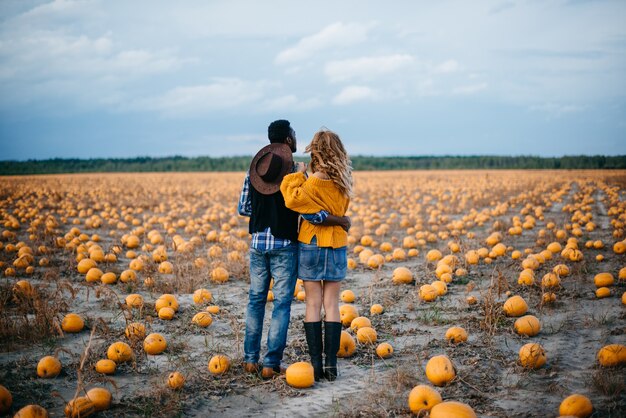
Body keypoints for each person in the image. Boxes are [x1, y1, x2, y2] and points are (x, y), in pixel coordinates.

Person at [237, 120, 350, 379]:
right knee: (284, 304)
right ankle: (273, 363)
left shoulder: (255, 171)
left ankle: (251, 360)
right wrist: (341, 220)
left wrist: (263, 211)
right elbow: (309, 207)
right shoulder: (302, 174)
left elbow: (244, 208)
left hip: (260, 244)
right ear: (288, 140)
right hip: (291, 245)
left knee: (256, 301)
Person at [280, 128, 352, 381]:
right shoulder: (344, 183)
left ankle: (316, 367)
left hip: (310, 243)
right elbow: (339, 214)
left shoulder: (310, 182)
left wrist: (297, 175)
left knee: (313, 303)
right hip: (336, 245)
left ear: (316, 151)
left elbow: (291, 199)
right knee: (332, 304)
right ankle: (331, 366)